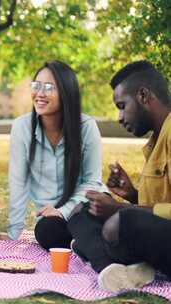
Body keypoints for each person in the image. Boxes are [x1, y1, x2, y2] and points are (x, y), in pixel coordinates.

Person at [68, 60, 171, 292]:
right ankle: (113, 269)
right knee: (81, 212)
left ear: (144, 95)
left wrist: (120, 209)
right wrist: (132, 195)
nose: (120, 117)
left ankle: (96, 251)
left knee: (122, 222)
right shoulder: (156, 140)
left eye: (122, 105)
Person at [5, 60, 106, 250]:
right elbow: (18, 183)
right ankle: (84, 245)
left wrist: (63, 211)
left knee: (98, 225)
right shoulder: (22, 127)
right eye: (37, 86)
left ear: (66, 93)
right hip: (52, 221)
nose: (40, 93)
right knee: (46, 230)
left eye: (49, 87)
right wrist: (14, 237)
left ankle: (93, 247)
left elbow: (93, 182)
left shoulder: (86, 127)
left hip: (84, 207)